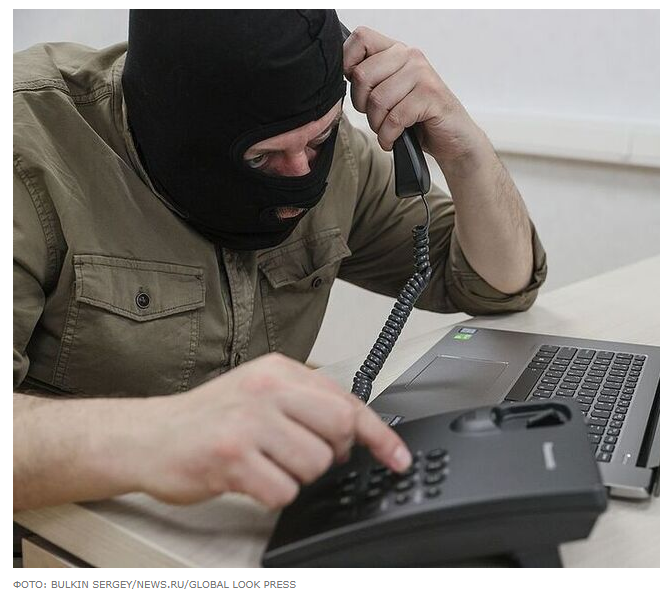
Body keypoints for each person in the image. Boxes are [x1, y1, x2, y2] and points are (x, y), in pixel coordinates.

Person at [13, 10, 547, 511]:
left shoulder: (332, 152)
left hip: (243, 521)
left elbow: (495, 283)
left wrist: (465, 151)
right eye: (262, 157)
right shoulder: (25, 154)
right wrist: (166, 432)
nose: (301, 175)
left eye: (319, 140)